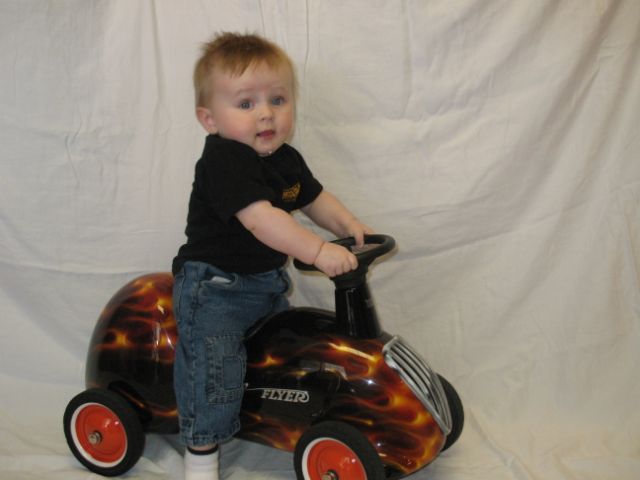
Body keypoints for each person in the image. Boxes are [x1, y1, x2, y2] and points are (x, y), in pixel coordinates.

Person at [171, 32, 372, 480]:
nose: (266, 113)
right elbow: (262, 220)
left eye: (277, 99)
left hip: (263, 285)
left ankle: (278, 420)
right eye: (246, 103)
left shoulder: (285, 158)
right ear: (209, 118)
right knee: (217, 370)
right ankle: (201, 454)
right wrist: (318, 250)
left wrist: (346, 226)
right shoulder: (225, 159)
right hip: (214, 289)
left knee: (282, 357)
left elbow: (314, 198)